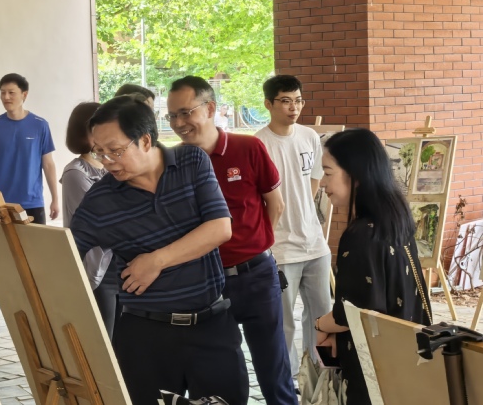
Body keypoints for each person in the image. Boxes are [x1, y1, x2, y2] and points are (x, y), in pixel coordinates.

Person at [70, 96, 248, 405]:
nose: (106, 161)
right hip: (145, 335)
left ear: (145, 140)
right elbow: (63, 259)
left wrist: (156, 261)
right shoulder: (98, 202)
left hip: (212, 324)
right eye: (99, 152)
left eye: (115, 150)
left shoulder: (191, 161)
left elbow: (220, 228)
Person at [167, 76, 297, 405]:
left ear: (210, 108)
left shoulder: (248, 148)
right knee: (216, 374)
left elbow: (275, 204)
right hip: (205, 283)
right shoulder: (173, 163)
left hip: (256, 278)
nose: (179, 123)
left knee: (274, 370)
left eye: (186, 113)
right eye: (172, 116)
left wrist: (255, 246)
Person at [315, 128, 432, 405]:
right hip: (405, 356)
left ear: (356, 176)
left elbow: (353, 312)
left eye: (328, 173)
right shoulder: (396, 217)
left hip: (375, 367)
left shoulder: (360, 234)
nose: (322, 183)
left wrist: (319, 324)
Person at [255, 75, 332, 393]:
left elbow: (313, 182)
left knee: (322, 317)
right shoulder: (259, 144)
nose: (294, 107)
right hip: (281, 249)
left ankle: (319, 379)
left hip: (315, 244)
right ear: (268, 104)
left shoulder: (310, 137)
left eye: (298, 100)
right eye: (286, 101)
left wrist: (305, 217)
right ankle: (286, 385)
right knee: (283, 323)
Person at [0, 73, 59, 324]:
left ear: (24, 95)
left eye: (11, 92)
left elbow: (48, 164)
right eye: (2, 92)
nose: (6, 97)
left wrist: (55, 198)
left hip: (32, 203)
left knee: (35, 257)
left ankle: (39, 306)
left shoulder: (40, 125)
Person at [60, 102, 117, 337]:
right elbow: (97, 223)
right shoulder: (77, 173)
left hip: (121, 262)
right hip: (98, 266)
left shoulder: (111, 165)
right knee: (103, 339)